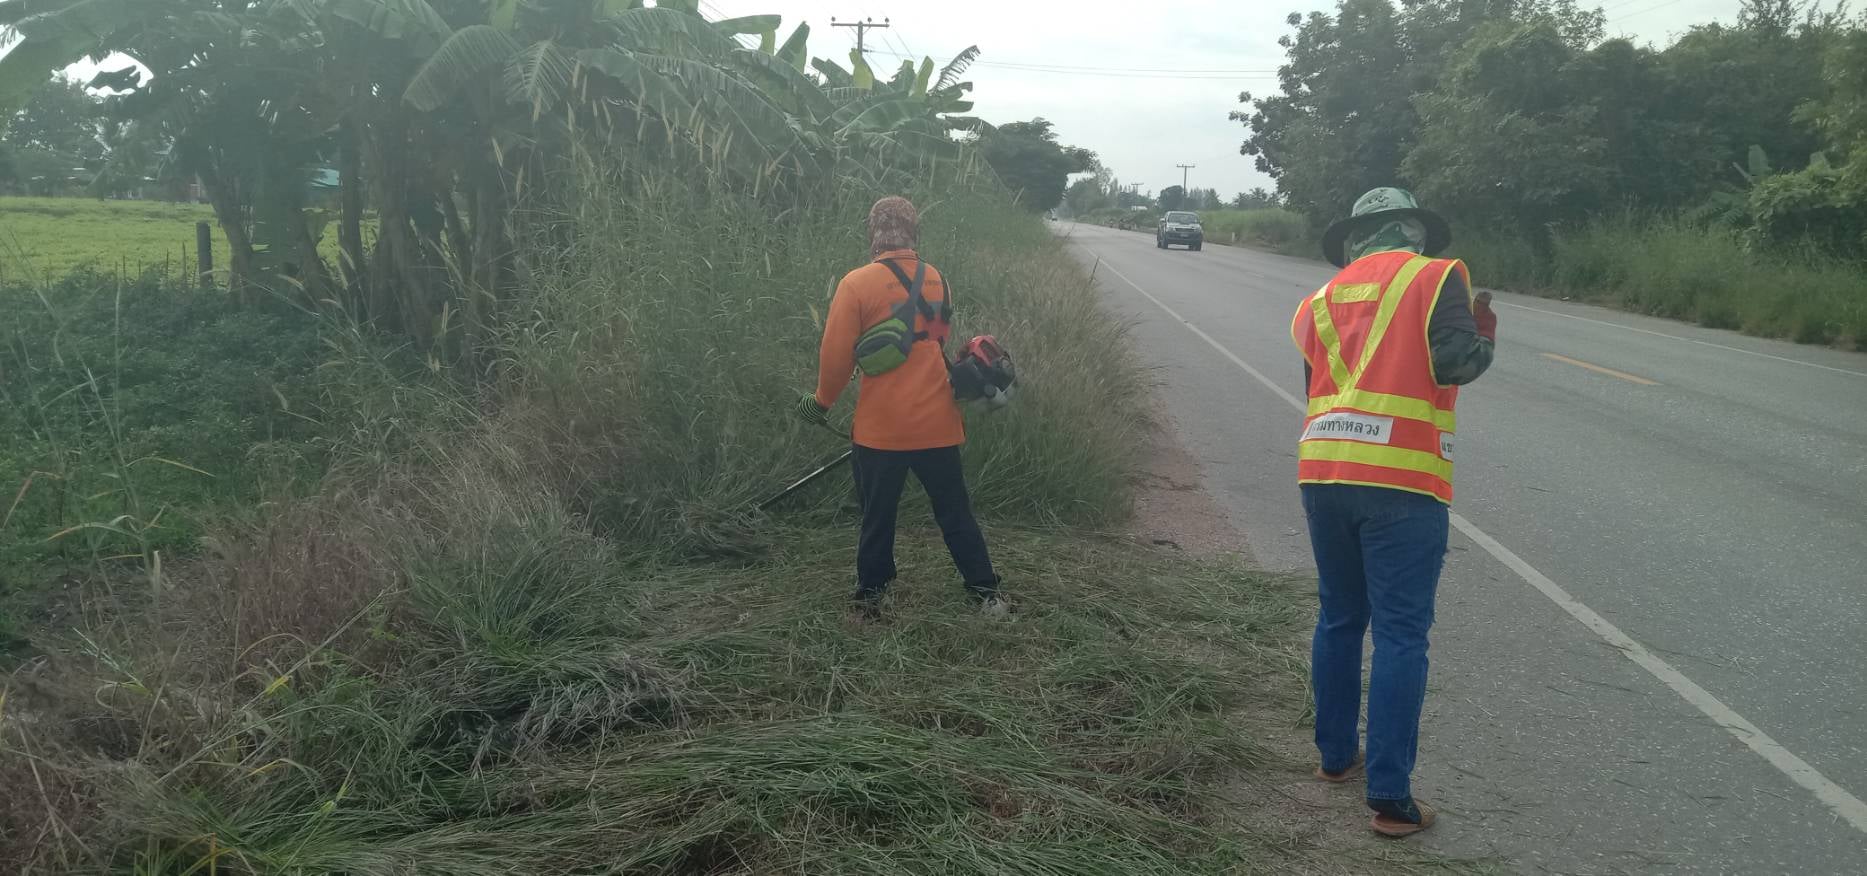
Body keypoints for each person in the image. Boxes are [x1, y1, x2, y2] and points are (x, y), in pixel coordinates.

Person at [1290, 187, 1497, 837]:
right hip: (1401, 481)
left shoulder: (1320, 300)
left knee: (1339, 617)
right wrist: (1484, 330)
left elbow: (1317, 389)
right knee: (1401, 635)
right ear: (1411, 230)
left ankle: (1334, 759)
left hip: (1323, 472)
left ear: (1355, 238)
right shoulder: (1435, 278)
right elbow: (1456, 363)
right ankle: (1389, 799)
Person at [797, 196, 1005, 622]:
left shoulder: (856, 284)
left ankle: (870, 599)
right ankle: (986, 593)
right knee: (955, 511)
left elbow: (836, 358)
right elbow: (936, 341)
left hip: (882, 430)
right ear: (913, 231)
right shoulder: (938, 279)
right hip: (938, 424)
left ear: (872, 231)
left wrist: (820, 402)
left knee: (877, 516)